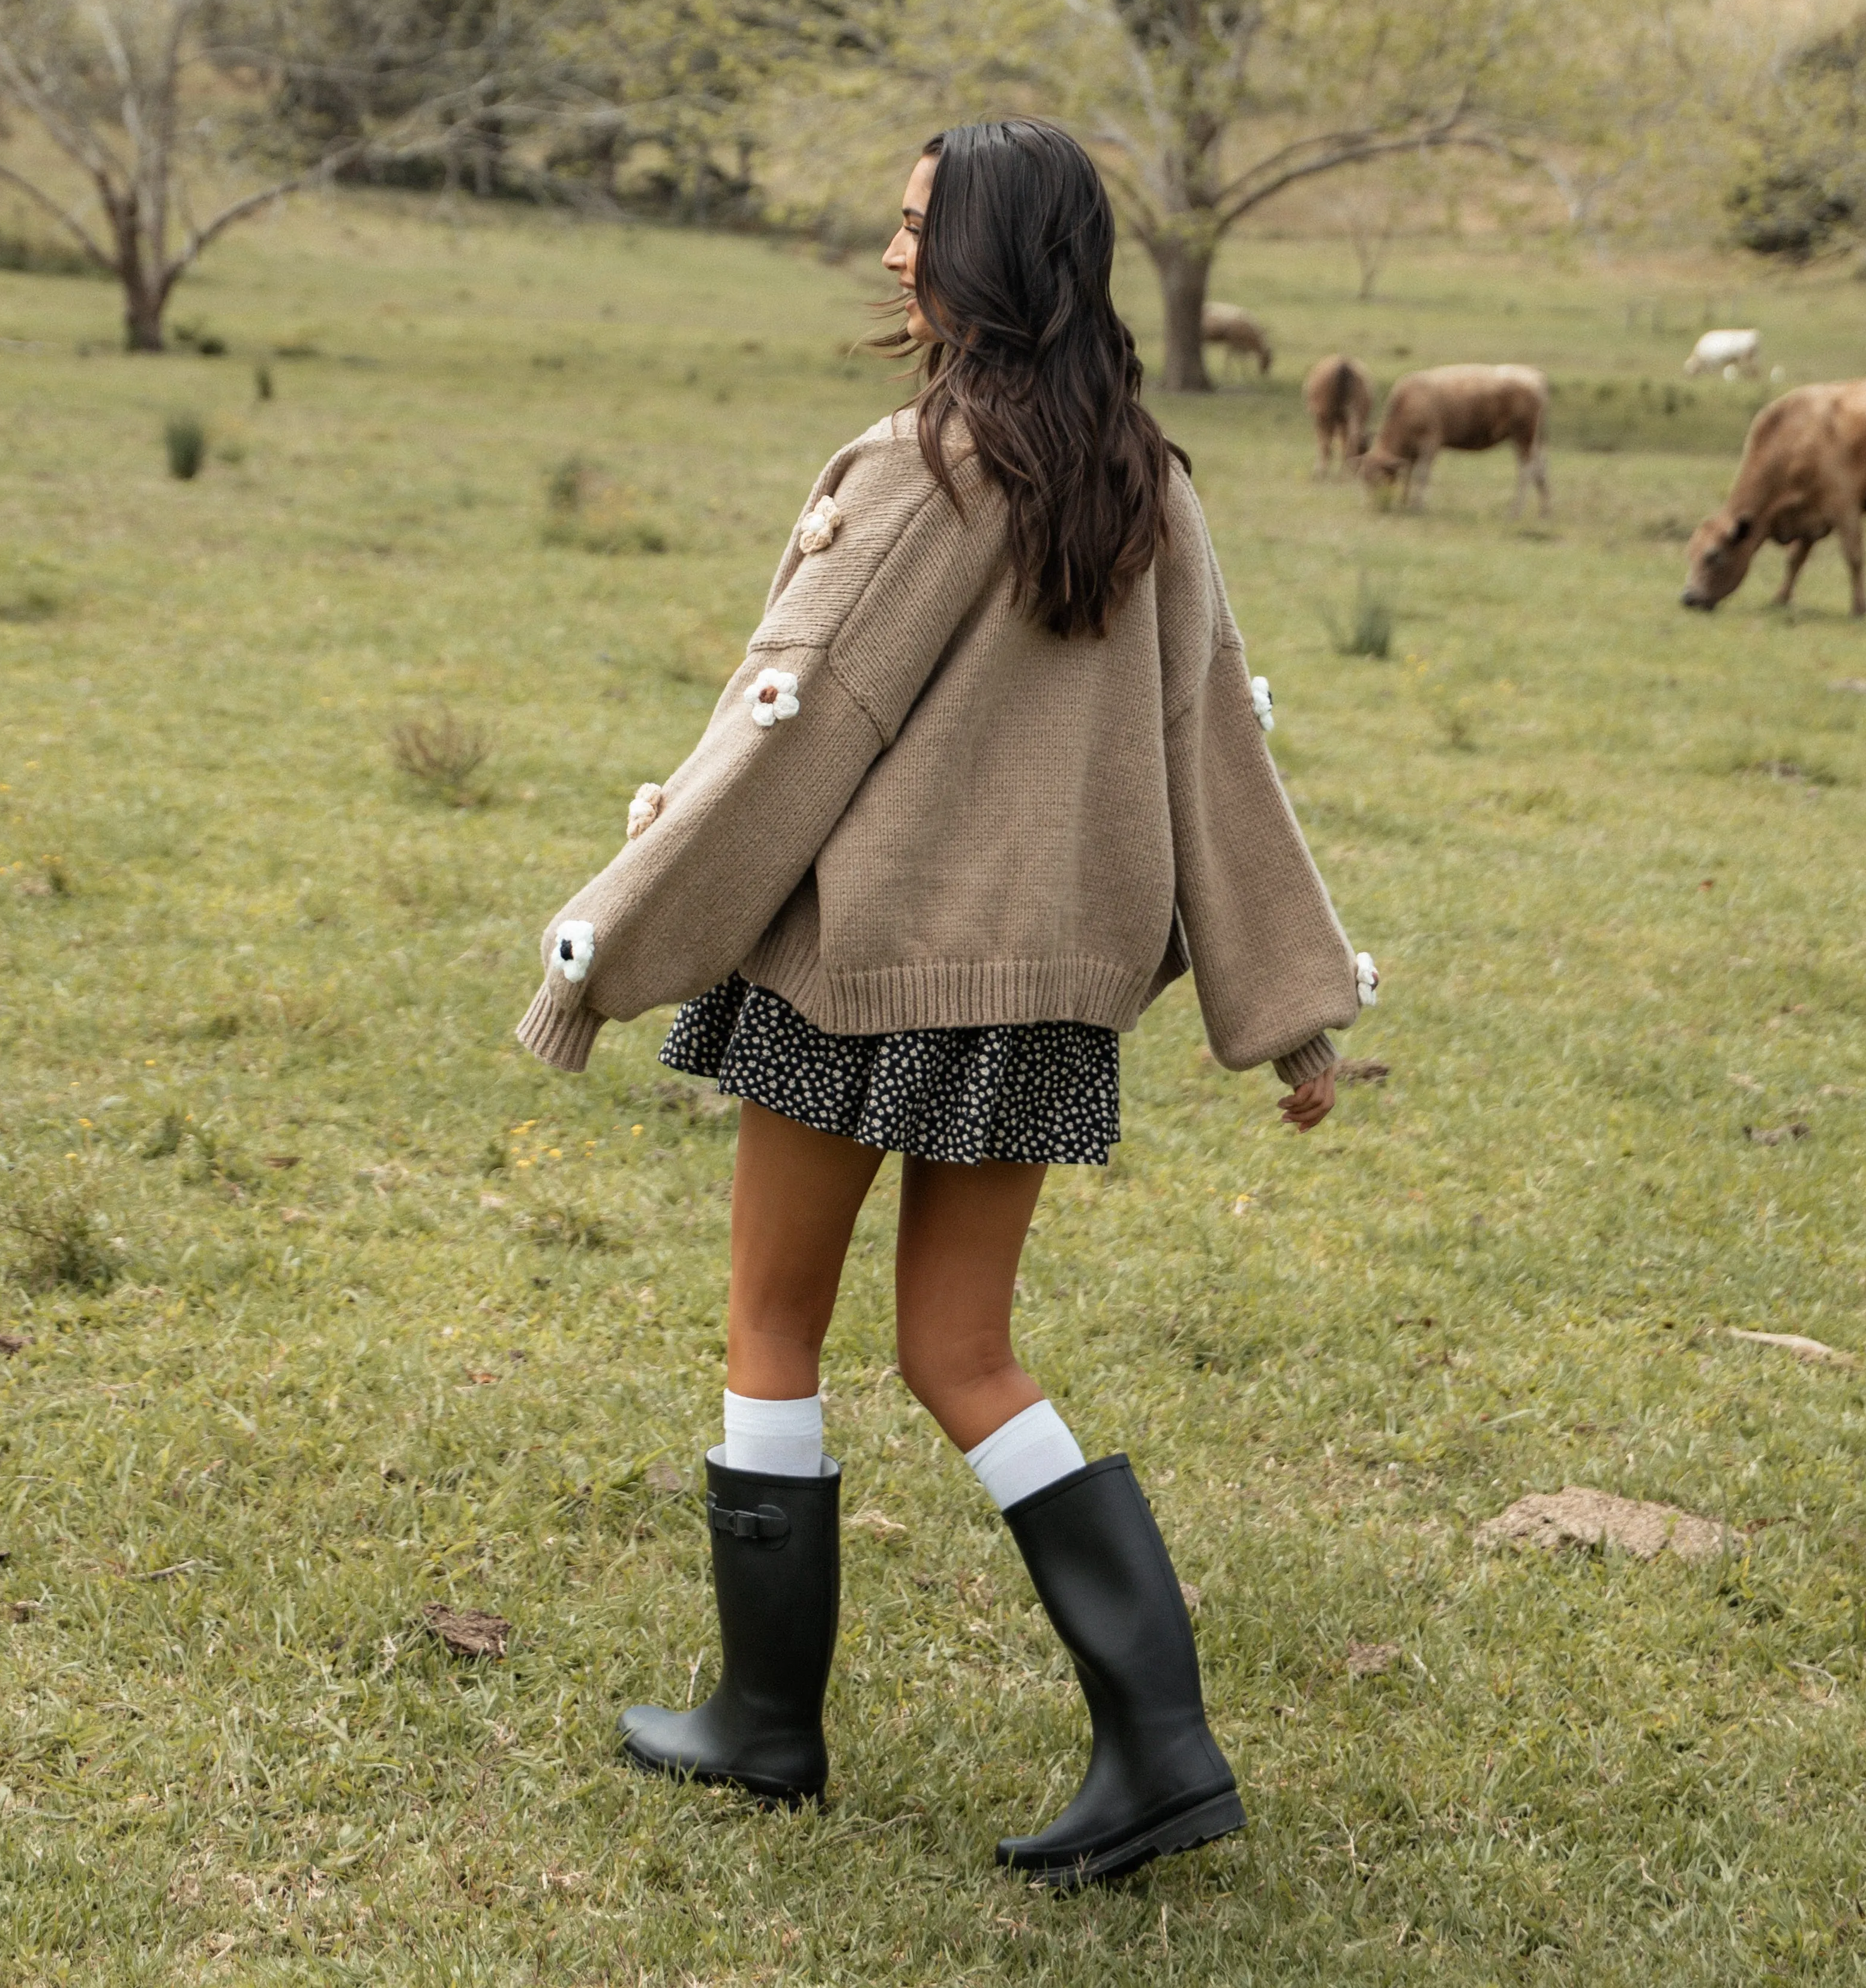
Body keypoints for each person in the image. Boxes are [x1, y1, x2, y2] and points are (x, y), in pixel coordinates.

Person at [516, 120, 1370, 1888]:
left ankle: (762, 1731)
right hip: (1045, 999)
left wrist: (601, 942)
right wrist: (1291, 1008)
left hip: (858, 978)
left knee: (775, 1329)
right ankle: (1162, 1745)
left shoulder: (928, 467)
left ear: (992, 257)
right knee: (959, 1354)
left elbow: (787, 729)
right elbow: (1216, 742)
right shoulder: (1144, 478)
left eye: (919, 232)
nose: (894, 256)